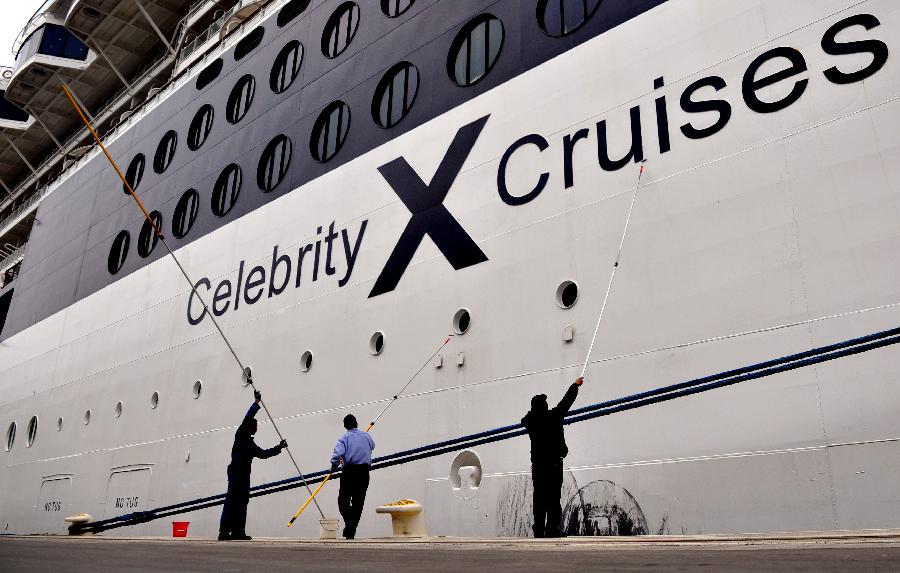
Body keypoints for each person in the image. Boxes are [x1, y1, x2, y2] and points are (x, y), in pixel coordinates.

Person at [218, 390, 287, 541]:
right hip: (236, 474)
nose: (257, 429)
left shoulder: (249, 442)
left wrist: (278, 448)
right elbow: (248, 418)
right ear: (249, 428)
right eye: (255, 427)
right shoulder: (242, 435)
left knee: (242, 502)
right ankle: (224, 532)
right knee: (232, 501)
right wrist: (256, 403)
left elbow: (263, 454)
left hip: (242, 475)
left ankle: (238, 531)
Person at [521, 376, 583, 538]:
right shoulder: (553, 416)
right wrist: (575, 386)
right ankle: (552, 529)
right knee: (554, 498)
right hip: (554, 464)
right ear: (544, 406)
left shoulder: (530, 421)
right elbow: (566, 402)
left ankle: (539, 530)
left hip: (538, 465)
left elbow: (525, 419)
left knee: (539, 497)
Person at [330, 414, 375, 539]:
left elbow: (338, 454)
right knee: (358, 502)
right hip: (364, 472)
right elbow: (372, 446)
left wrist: (333, 466)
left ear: (345, 426)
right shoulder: (366, 436)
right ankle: (351, 528)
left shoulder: (344, 438)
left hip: (349, 471)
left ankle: (349, 523)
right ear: (357, 424)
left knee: (343, 500)